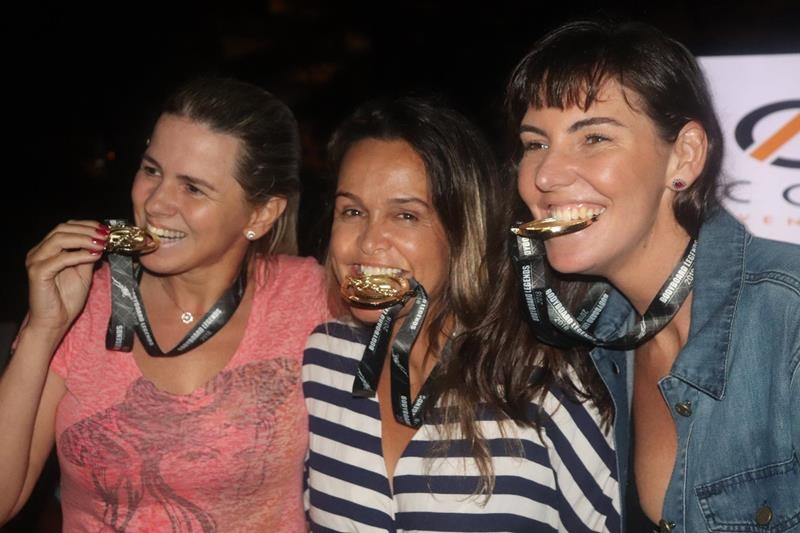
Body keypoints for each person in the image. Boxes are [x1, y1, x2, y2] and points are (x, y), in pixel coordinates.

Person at [504, 18, 800, 532]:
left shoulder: (788, 318)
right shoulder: (596, 341)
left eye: (594, 137)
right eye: (535, 144)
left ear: (683, 156)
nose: (545, 176)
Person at [0, 76, 327, 531]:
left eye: (193, 188)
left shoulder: (309, 297)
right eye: (152, 170)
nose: (155, 204)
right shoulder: (82, 300)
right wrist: (43, 328)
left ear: (261, 213)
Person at [303, 95, 620, 531]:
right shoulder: (324, 359)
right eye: (352, 211)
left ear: (463, 230)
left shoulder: (540, 380)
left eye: (406, 215)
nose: (368, 242)